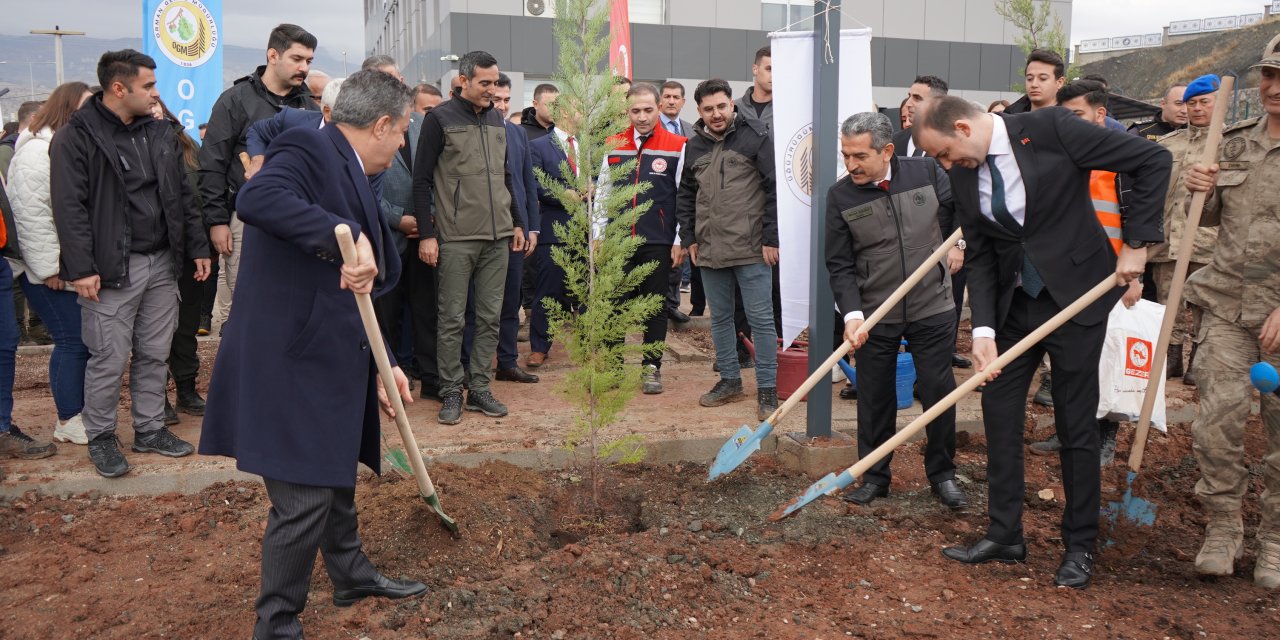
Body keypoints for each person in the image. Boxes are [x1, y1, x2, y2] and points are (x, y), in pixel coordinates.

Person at [200, 69, 427, 639]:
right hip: (289, 360)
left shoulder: (350, 166)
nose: (403, 144)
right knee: (302, 498)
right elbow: (259, 197)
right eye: (401, 133)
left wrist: (386, 361)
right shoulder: (307, 144)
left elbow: (361, 289)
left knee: (334, 474)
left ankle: (349, 574)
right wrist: (343, 233)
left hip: (332, 354)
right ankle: (276, 624)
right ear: (380, 125)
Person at [912, 95, 1169, 589]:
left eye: (944, 153)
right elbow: (983, 252)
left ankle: (1079, 545)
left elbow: (1151, 159)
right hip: (1016, 306)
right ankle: (1005, 533)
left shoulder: (1051, 128)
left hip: (1077, 295)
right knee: (999, 412)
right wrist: (983, 329)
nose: (946, 166)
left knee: (1075, 422)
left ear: (963, 128)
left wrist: (1137, 243)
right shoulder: (966, 173)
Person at [51, 50, 212, 478]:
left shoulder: (158, 133)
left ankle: (150, 428)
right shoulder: (76, 137)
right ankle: (101, 436)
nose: (156, 94)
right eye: (149, 86)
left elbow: (181, 196)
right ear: (118, 88)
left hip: (162, 263)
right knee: (107, 356)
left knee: (155, 352)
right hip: (109, 269)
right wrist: (82, 267)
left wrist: (196, 247)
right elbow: (70, 208)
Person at [824, 112, 965, 509]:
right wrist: (852, 315)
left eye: (859, 156)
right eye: (845, 155)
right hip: (875, 310)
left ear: (886, 151)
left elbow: (960, 211)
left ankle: (943, 475)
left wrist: (959, 245)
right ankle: (874, 475)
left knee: (938, 391)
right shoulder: (841, 197)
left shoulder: (926, 173)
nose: (851, 165)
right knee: (874, 396)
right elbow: (839, 264)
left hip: (932, 303)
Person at [1180, 33, 1280, 589]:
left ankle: (1275, 540)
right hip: (1226, 309)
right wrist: (1203, 188)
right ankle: (1222, 528)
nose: (1274, 88)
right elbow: (1209, 217)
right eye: (1268, 75)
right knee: (1216, 427)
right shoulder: (1235, 142)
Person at [1029, 79, 1147, 465]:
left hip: (1114, 278)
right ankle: (1069, 435)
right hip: (1069, 278)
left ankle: (1104, 438)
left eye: (1076, 116)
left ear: (1100, 114)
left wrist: (1135, 277)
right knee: (1070, 367)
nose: (1068, 124)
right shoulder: (1062, 157)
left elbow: (1139, 222)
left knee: (1108, 361)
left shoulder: (1122, 161)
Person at [412, 50, 526, 425]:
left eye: (495, 83)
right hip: (456, 238)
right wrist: (428, 236)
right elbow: (422, 180)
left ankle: (479, 387)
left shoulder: (496, 119)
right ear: (463, 80)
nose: (492, 90)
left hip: (498, 238)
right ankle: (450, 391)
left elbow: (506, 176)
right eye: (485, 83)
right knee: (451, 318)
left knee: (490, 317)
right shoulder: (439, 119)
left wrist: (518, 223)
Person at [199, 24, 320, 335]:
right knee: (247, 306)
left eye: (309, 60)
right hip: (246, 218)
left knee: (291, 307)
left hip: (297, 219)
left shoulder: (308, 106)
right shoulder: (235, 100)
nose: (304, 68)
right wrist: (217, 221)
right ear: (273, 55)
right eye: (297, 59)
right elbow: (212, 163)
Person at [677, 79, 779, 421]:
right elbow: (685, 195)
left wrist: (771, 238)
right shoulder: (694, 146)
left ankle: (767, 389)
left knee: (761, 320)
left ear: (731, 104)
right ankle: (730, 381)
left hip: (752, 249)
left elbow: (774, 189)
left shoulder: (757, 137)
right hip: (708, 248)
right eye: (708, 109)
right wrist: (689, 237)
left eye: (721, 106)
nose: (716, 114)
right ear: (699, 113)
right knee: (719, 319)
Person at [6, 82, 93, 446]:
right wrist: (50, 270)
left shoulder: (60, 147)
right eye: (87, 105)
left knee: (79, 341)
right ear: (68, 108)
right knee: (72, 340)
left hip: (62, 266)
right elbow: (32, 217)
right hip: (47, 272)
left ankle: (76, 412)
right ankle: (69, 418)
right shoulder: (37, 153)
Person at [602, 82, 687, 394]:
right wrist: (599, 235)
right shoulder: (613, 144)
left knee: (654, 306)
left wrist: (679, 239)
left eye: (648, 110)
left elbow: (682, 197)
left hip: (658, 240)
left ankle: (651, 368)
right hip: (618, 240)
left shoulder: (678, 145)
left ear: (659, 108)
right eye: (635, 110)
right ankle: (612, 366)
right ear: (627, 111)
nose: (641, 116)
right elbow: (602, 194)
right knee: (614, 305)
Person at [461, 72, 540, 385]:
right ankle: (468, 367)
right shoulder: (469, 130)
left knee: (510, 302)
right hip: (477, 232)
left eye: (507, 100)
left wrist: (532, 227)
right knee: (473, 304)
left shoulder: (517, 134)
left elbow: (526, 183)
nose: (502, 106)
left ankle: (507, 362)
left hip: (515, 234)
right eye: (497, 99)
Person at [1147, 74, 1222, 386]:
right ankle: (1172, 357)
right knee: (1168, 304)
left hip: (1210, 243)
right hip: (1170, 241)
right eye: (1191, 103)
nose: (1197, 109)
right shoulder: (1168, 145)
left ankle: (1198, 362)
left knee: (1204, 305)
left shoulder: (1228, 144)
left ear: (1219, 104)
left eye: (1204, 102)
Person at [526, 106, 580, 371]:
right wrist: (561, 193)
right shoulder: (538, 145)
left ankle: (587, 346)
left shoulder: (590, 147)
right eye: (577, 108)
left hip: (587, 232)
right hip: (553, 228)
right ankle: (539, 347)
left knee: (586, 291)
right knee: (549, 290)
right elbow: (534, 182)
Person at [658, 80, 695, 324]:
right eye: (667, 96)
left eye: (676, 97)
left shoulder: (690, 131)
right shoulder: (651, 128)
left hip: (683, 200)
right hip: (657, 200)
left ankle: (671, 304)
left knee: (678, 253)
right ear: (660, 101)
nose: (672, 101)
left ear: (683, 102)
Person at [892, 75, 948, 158]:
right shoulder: (894, 140)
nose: (908, 104)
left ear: (937, 103)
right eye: (909, 96)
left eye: (917, 98)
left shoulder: (950, 143)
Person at [1003, 49, 1065, 114]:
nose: (1034, 84)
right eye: (1029, 79)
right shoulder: (1009, 117)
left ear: (1059, 82)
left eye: (1043, 78)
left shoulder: (1070, 119)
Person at [735, 46, 773, 130]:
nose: (774, 75)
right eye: (769, 69)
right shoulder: (734, 108)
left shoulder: (787, 111)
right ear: (755, 69)